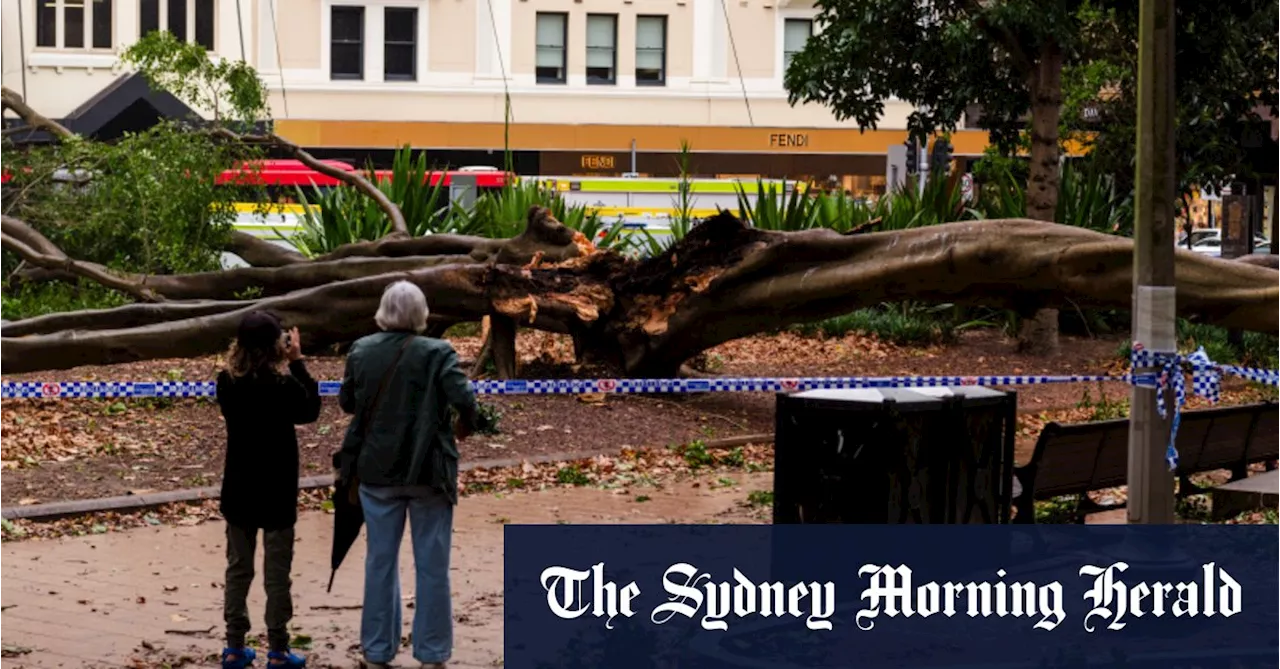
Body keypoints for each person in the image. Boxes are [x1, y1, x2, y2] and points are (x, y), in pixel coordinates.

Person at [335, 281, 478, 669]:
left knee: (380, 562)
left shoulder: (361, 350)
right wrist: (465, 421)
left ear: (383, 311)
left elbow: (348, 401)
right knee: (433, 565)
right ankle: (432, 653)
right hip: (429, 472)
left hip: (377, 473)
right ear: (421, 314)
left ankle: (378, 650)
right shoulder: (438, 353)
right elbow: (465, 399)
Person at [216, 311, 322, 669]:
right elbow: (311, 409)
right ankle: (278, 648)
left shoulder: (226, 383)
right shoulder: (285, 387)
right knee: (277, 574)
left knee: (237, 569)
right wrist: (298, 363)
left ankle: (233, 645)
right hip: (277, 491)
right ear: (278, 345)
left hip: (239, 490)